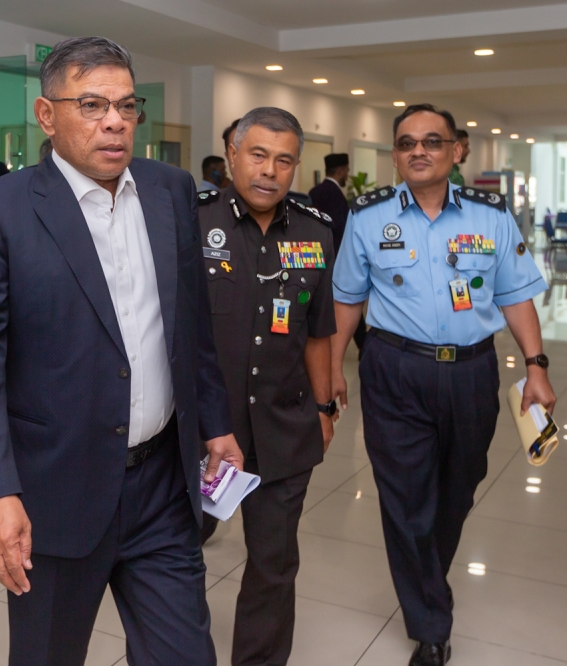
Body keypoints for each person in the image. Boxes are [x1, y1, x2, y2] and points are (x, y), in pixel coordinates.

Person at [0, 36, 242, 665]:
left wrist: (216, 424)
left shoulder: (170, 190)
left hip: (162, 484)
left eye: (126, 105)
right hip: (54, 492)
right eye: (91, 105)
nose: (114, 121)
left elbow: (190, 325)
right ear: (46, 115)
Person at [331, 103, 555, 666]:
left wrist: (536, 366)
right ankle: (431, 624)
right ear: (395, 155)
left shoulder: (490, 216)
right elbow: (347, 300)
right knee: (406, 499)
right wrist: (332, 368)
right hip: (394, 369)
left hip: (472, 372)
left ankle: (427, 579)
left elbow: (515, 296)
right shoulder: (368, 216)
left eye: (432, 141)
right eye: (407, 143)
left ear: (456, 151)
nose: (419, 151)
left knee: (457, 489)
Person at [198, 107, 337, 666]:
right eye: (257, 155)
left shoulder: (314, 231)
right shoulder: (191, 221)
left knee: (274, 564)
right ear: (232, 154)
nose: (269, 171)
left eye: (284, 160)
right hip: (202, 428)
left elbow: (318, 332)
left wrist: (324, 408)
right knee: (175, 555)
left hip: (284, 425)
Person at [310, 152, 367, 353]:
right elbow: (342, 229)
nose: (347, 175)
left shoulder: (315, 191)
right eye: (347, 171)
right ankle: (363, 345)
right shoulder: (334, 194)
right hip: (335, 259)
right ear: (341, 171)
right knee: (349, 301)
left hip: (315, 257)